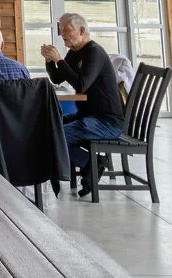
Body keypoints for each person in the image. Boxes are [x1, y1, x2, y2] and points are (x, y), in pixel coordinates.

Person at [42, 13, 126, 196]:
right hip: (87, 116)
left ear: (81, 30)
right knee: (49, 127)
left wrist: (58, 60)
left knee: (55, 137)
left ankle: (92, 162)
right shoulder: (74, 51)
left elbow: (80, 84)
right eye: (61, 29)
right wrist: (50, 61)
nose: (62, 33)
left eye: (66, 30)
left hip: (106, 122)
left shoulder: (94, 52)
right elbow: (58, 77)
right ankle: (91, 162)